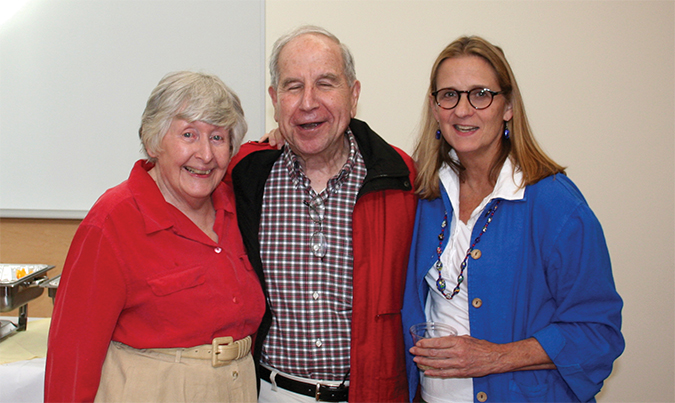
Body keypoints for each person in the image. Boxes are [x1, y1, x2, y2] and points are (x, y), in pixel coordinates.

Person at [401, 36, 624, 402]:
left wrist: (493, 358)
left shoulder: (555, 204)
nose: (462, 110)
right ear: (434, 106)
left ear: (508, 106)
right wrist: (287, 139)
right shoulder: (423, 190)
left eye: (481, 94)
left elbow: (599, 333)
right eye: (450, 95)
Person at [45, 71, 265, 402]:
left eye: (218, 138)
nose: (205, 155)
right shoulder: (112, 222)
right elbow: (72, 356)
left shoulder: (239, 209)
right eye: (189, 135)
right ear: (153, 141)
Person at [227, 25, 417, 402]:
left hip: (368, 394)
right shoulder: (245, 176)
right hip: (269, 391)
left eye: (326, 84)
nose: (308, 102)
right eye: (293, 87)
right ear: (275, 99)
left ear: (354, 93)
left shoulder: (401, 179)